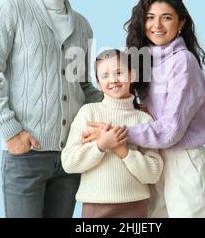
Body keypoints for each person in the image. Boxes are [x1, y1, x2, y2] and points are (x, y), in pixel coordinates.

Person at [0, 0, 103, 218]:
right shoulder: (11, 8)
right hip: (26, 154)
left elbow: (82, 85)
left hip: (71, 155)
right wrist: (11, 131)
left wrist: (122, 104)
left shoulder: (82, 25)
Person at [83, 0, 205, 217]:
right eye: (150, 17)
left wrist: (116, 134)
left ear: (180, 23)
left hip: (182, 159)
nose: (157, 24)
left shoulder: (183, 62)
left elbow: (170, 131)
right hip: (152, 159)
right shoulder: (143, 61)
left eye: (166, 17)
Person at [61, 49, 163, 218]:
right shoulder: (88, 113)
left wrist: (121, 150)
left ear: (132, 75)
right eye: (105, 75)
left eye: (119, 72)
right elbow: (69, 163)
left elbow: (153, 173)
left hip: (135, 207)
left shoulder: (144, 120)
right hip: (95, 206)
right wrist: (101, 145)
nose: (113, 80)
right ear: (98, 83)